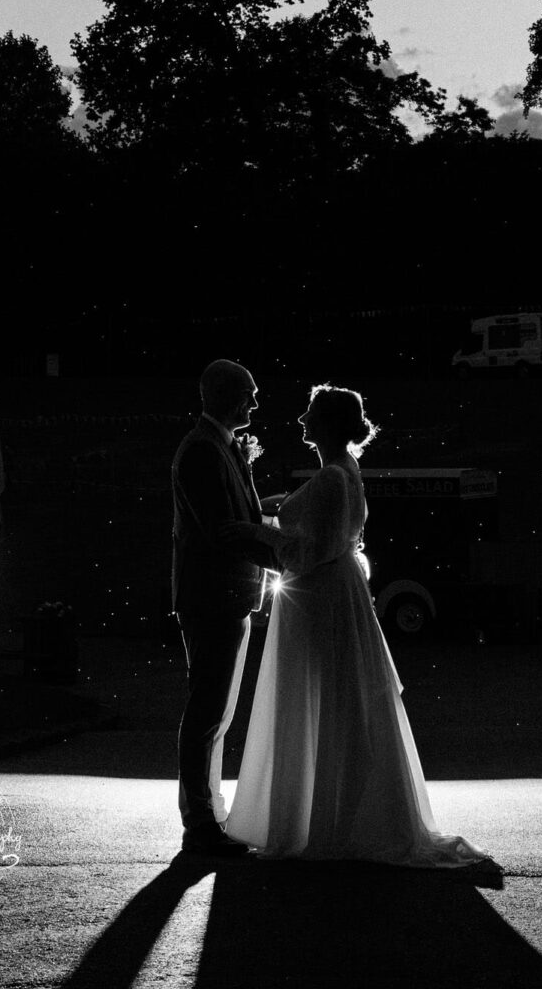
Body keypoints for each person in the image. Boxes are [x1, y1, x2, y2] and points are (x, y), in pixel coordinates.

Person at [225, 384, 495, 868]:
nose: (301, 419)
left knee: (320, 697)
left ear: (327, 423)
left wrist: (250, 534)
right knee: (337, 699)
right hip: (333, 594)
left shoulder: (332, 477)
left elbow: (308, 551)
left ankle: (322, 824)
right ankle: (331, 813)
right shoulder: (342, 472)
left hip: (320, 599)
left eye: (309, 412)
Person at [171, 358, 278, 857]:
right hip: (211, 597)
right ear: (223, 395)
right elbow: (222, 530)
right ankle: (200, 824)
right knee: (208, 712)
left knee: (218, 711)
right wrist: (285, 558)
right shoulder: (200, 451)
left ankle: (208, 813)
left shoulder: (222, 447)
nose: (255, 403)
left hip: (229, 595)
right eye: (248, 393)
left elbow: (246, 515)